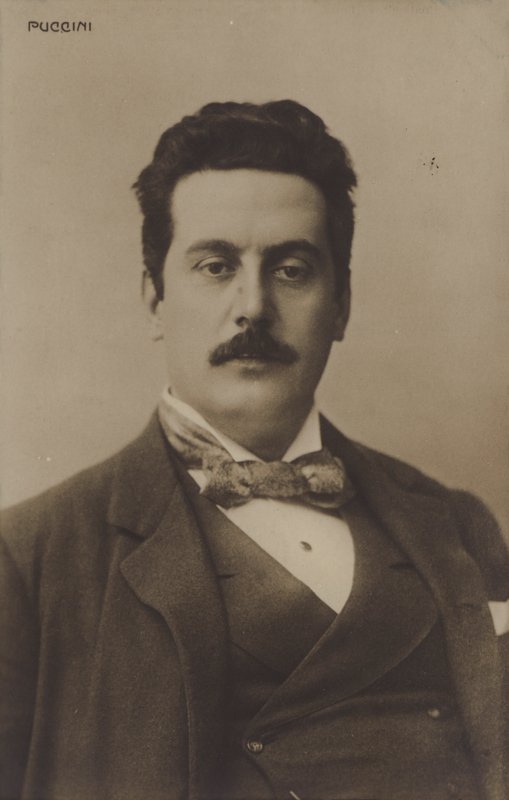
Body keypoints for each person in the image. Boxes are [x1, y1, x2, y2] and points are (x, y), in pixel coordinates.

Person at [1, 100, 508, 800]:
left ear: (341, 305)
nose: (253, 307)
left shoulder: (456, 525)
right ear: (155, 300)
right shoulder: (30, 559)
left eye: (291, 270)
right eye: (215, 267)